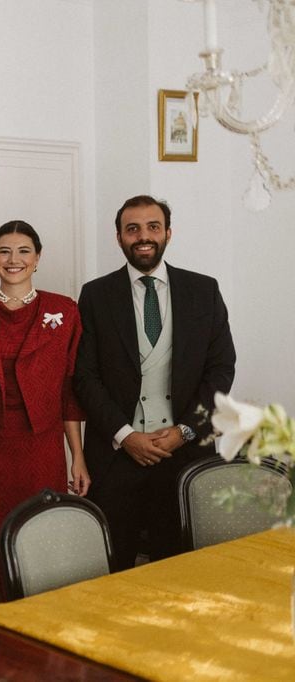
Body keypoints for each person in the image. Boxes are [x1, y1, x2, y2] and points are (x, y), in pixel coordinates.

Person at [73, 195, 236, 571]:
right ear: (119, 237)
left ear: (168, 233)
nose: (143, 236)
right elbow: (84, 376)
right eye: (132, 229)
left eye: (152, 227)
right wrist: (126, 434)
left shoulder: (204, 290)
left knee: (181, 567)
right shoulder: (95, 295)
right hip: (116, 457)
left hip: (185, 456)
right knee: (111, 569)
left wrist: (184, 431)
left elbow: (221, 370)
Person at [0, 220, 88, 537]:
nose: (14, 259)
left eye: (24, 251)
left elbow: (69, 391)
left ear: (38, 258)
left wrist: (77, 457)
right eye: (4, 251)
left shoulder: (64, 309)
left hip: (43, 446)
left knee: (44, 533)